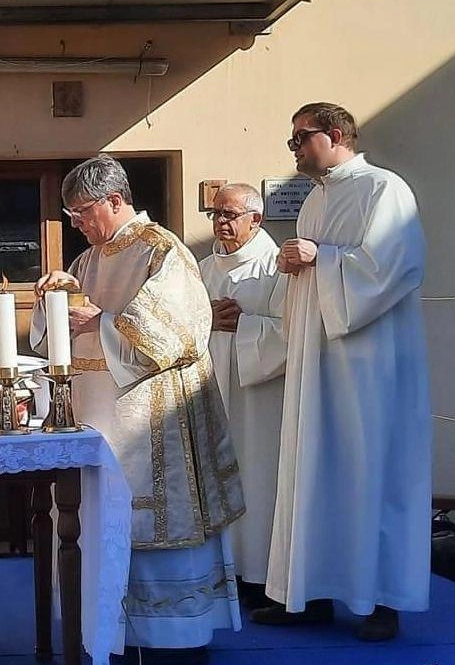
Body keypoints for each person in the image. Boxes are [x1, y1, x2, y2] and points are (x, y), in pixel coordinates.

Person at [30, 155, 245, 664]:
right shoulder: (87, 261)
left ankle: (175, 643)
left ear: (116, 200)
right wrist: (54, 302)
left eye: (83, 212)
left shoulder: (163, 250)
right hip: (100, 419)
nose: (77, 224)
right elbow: (62, 338)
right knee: (105, 526)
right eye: (71, 214)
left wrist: (102, 320)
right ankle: (112, 634)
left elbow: (180, 334)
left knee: (158, 526)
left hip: (155, 421)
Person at [254, 103, 431, 641]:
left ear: (334, 135)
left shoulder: (385, 190)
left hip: (368, 362)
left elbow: (395, 266)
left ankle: (380, 601)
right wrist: (296, 265)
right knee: (314, 469)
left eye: (300, 139)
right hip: (318, 362)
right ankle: (308, 593)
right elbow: (310, 274)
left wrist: (321, 258)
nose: (295, 150)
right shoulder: (315, 199)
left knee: (369, 466)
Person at [197, 183, 287, 608]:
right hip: (211, 391)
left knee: (260, 480)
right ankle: (220, 573)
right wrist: (203, 319)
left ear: (257, 218)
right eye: (216, 214)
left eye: (230, 214)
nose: (221, 222)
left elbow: (297, 333)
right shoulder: (201, 268)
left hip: (261, 400)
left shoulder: (278, 267)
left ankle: (260, 577)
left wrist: (245, 326)